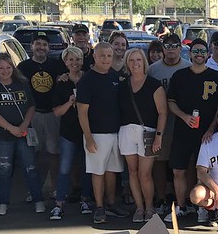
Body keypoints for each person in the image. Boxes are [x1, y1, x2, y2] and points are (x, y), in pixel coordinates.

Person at [166, 38, 218, 222]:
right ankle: (181, 206)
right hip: (182, 131)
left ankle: (203, 206)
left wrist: (211, 128)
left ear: (208, 53)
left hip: (206, 134)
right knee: (178, 170)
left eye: (202, 51)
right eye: (196, 51)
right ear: (190, 53)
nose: (199, 54)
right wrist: (184, 116)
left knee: (204, 171)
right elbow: (171, 102)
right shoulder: (180, 76)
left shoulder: (215, 76)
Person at [0, 53, 45, 216]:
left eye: (8, 67)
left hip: (24, 132)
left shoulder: (22, 83)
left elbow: (31, 105)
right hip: (2, 135)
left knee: (30, 167)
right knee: (4, 169)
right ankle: (3, 202)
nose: (5, 71)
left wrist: (23, 125)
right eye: (1, 68)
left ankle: (38, 199)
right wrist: (11, 128)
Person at [76, 43, 128, 224]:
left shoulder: (115, 76)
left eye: (109, 55)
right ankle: (99, 207)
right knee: (97, 172)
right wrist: (88, 138)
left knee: (112, 170)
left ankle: (111, 203)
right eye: (102, 56)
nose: (106, 59)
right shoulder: (87, 80)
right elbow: (82, 112)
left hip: (115, 133)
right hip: (96, 134)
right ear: (95, 57)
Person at [118, 49, 168, 222]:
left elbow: (162, 113)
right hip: (126, 131)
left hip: (147, 132)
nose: (135, 63)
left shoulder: (154, 85)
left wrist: (159, 136)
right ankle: (139, 208)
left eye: (138, 59)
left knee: (144, 173)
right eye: (131, 60)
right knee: (132, 172)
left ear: (144, 62)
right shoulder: (123, 84)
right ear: (127, 63)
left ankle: (150, 207)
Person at [146, 33, 191, 215]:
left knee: (186, 163)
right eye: (167, 46)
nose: (171, 49)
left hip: (183, 122)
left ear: (181, 48)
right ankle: (161, 197)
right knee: (159, 161)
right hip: (160, 123)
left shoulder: (189, 67)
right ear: (163, 48)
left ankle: (186, 199)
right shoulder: (153, 70)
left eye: (175, 46)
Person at [17, 31, 64, 202]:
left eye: (44, 44)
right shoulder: (23, 67)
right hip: (32, 115)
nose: (41, 48)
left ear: (48, 48)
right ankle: (34, 189)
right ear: (32, 46)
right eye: (38, 44)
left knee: (54, 153)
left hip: (52, 114)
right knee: (34, 154)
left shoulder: (56, 65)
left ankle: (54, 188)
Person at [49, 46, 93, 220]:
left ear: (82, 61)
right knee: (65, 168)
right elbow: (56, 111)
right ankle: (59, 204)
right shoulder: (62, 83)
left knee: (86, 168)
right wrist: (69, 103)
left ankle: (85, 200)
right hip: (68, 132)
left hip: (87, 130)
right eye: (71, 60)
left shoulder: (89, 79)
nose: (74, 63)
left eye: (77, 59)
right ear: (65, 62)